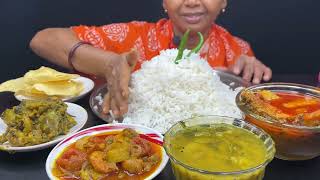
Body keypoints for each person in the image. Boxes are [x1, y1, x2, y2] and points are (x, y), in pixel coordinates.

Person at [30, 0, 272, 118]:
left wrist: (250, 75)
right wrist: (107, 62)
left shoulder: (238, 49)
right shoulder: (133, 36)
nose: (192, 2)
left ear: (224, 2)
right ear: (164, 2)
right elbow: (43, 39)